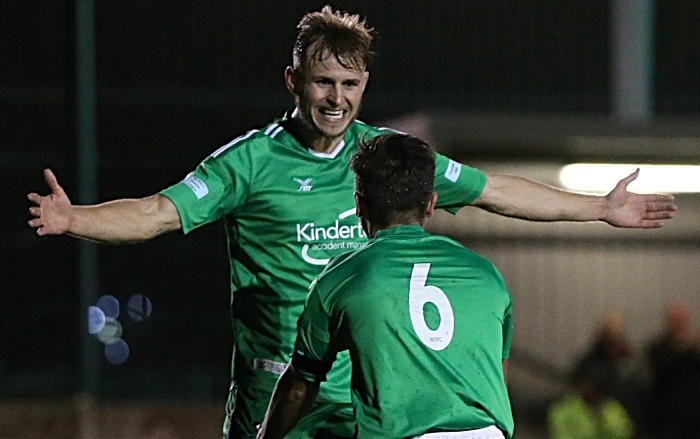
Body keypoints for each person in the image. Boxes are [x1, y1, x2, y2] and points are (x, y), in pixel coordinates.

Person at [26, 5, 676, 439]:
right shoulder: (250, 162)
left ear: (365, 84)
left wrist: (597, 207)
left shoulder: (386, 156)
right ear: (293, 80)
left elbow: (492, 189)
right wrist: (74, 217)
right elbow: (157, 213)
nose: (336, 98)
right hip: (276, 394)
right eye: (322, 81)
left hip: (365, 404)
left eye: (350, 83)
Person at [257, 132, 514, 439]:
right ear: (431, 204)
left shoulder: (341, 276)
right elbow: (498, 377)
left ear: (359, 205)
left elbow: (299, 387)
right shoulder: (486, 274)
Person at [646, 302, 700, 439]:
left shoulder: (694, 351)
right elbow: (662, 374)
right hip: (669, 417)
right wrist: (683, 348)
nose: (680, 324)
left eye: (682, 320)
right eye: (676, 320)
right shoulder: (657, 348)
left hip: (694, 415)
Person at [548, 360, 634, 439]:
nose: (585, 388)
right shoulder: (562, 409)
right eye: (582, 383)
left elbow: (624, 433)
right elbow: (561, 435)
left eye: (590, 384)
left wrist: (600, 419)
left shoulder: (613, 408)